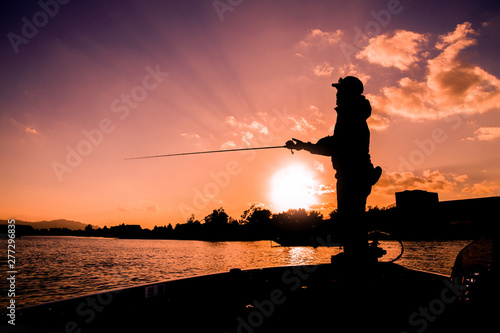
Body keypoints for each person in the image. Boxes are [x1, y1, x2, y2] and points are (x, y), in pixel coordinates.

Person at [286, 76, 382, 261]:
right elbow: (336, 143)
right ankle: (355, 255)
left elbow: (336, 146)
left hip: (353, 176)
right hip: (356, 174)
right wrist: (306, 145)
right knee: (352, 219)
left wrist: (305, 146)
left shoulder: (351, 115)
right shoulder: (352, 114)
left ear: (349, 93)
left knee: (350, 219)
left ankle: (355, 260)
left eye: (340, 91)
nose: (336, 95)